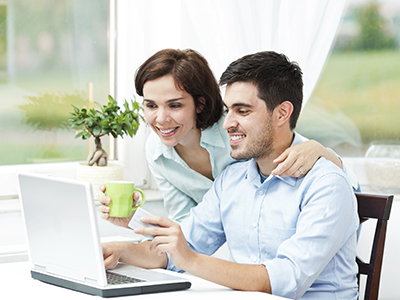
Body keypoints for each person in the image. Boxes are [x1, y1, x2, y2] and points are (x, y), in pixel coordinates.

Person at [102, 51, 359, 299]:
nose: (226, 124)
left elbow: (286, 280)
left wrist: (189, 259)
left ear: (282, 113)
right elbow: (175, 249)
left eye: (242, 111)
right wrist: (118, 249)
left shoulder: (325, 183)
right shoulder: (232, 180)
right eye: (228, 110)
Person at [99, 49, 359, 224]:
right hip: (228, 254)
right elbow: (185, 227)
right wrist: (132, 220)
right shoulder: (157, 153)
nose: (160, 118)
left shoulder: (237, 129)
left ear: (200, 104)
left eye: (175, 105)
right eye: (151, 105)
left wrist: (319, 150)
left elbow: (343, 184)